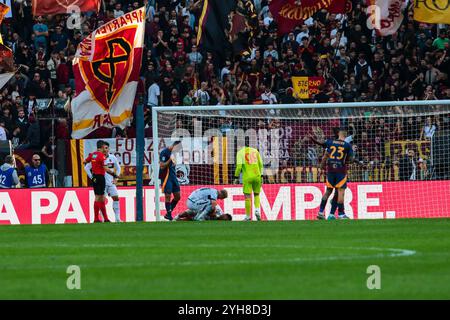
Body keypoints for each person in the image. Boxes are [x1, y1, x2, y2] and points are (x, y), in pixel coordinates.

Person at [318, 128, 354, 220]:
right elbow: (351, 159)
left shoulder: (330, 142)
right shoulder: (347, 145)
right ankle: (341, 214)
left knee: (328, 191)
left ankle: (321, 212)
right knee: (340, 192)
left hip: (330, 171)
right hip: (340, 171)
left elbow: (325, 156)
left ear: (338, 134)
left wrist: (321, 168)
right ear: (345, 136)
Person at [84, 140, 118, 223]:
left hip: (95, 177)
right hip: (100, 178)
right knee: (100, 198)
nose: (105, 149)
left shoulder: (92, 155)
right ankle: (100, 218)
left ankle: (102, 218)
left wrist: (92, 176)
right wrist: (114, 175)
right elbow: (106, 169)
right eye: (105, 147)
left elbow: (84, 162)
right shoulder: (101, 156)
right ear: (102, 147)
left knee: (99, 197)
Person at [234, 138, 263, 221]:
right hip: (257, 176)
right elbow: (261, 164)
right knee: (257, 194)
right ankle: (257, 210)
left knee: (247, 196)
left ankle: (247, 216)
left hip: (247, 178)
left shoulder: (240, 153)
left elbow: (239, 167)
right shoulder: (255, 151)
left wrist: (236, 177)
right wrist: (262, 176)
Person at [159, 141, 182, 221]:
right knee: (168, 195)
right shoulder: (164, 152)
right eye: (177, 149)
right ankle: (169, 215)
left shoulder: (174, 153)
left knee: (178, 196)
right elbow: (162, 166)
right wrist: (169, 160)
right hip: (166, 177)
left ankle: (168, 213)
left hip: (173, 176)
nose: (177, 151)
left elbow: (173, 165)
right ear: (174, 146)